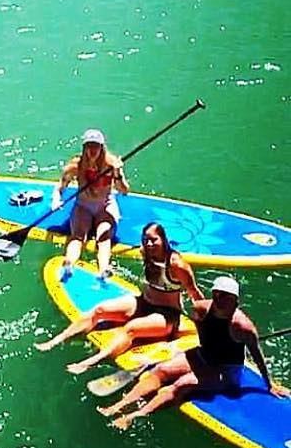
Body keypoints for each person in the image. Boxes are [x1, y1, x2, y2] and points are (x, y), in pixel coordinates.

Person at [98, 274, 290, 429]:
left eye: (226, 297)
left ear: (236, 301)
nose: (220, 300)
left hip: (225, 370)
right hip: (202, 355)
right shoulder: (200, 309)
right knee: (160, 371)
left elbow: (257, 355)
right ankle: (118, 406)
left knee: (181, 385)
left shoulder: (243, 328)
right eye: (218, 294)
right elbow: (200, 331)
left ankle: (135, 415)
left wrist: (269, 384)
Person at [35, 221, 201, 372]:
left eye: (153, 240)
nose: (149, 244)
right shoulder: (146, 253)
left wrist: (206, 325)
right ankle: (57, 340)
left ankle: (92, 361)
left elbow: (194, 293)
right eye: (145, 240)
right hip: (143, 303)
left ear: (164, 240)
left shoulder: (177, 265)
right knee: (100, 309)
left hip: (167, 316)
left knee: (131, 329)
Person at [50, 128, 128, 279]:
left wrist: (118, 174)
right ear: (84, 148)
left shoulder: (111, 164)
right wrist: (55, 199)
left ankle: (104, 269)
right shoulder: (76, 166)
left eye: (96, 146)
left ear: (102, 147)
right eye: (89, 146)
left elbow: (124, 190)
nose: (92, 150)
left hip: (105, 205)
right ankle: (69, 263)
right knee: (78, 236)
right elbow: (60, 185)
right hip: (83, 206)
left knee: (104, 237)